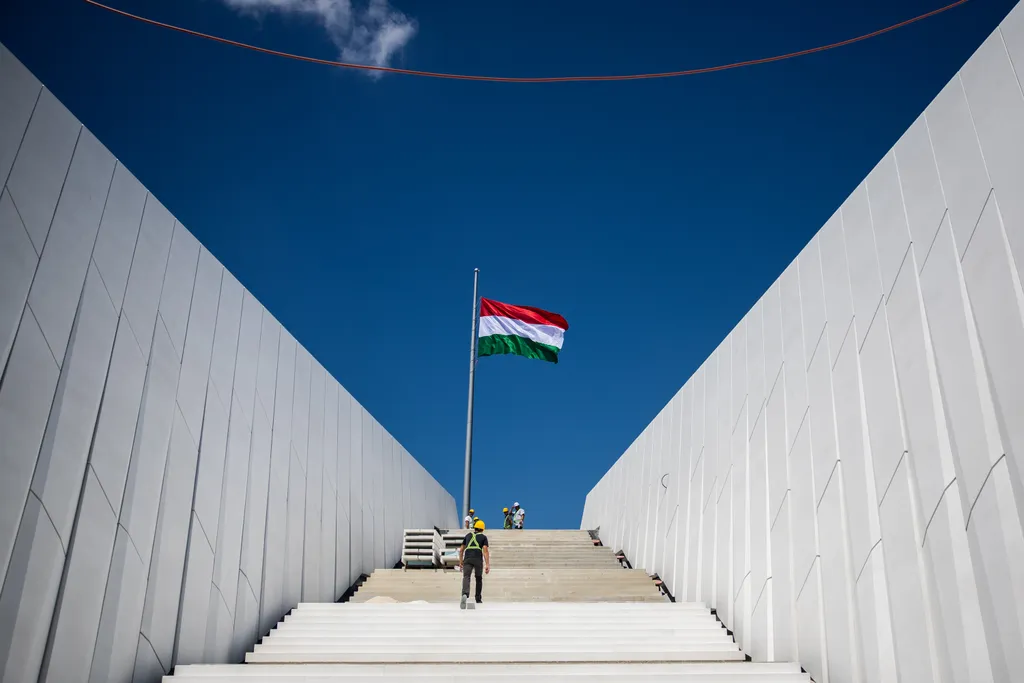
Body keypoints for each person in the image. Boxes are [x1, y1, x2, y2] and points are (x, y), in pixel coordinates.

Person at [458, 519, 490, 608]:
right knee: (478, 578)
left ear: (475, 528)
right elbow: (485, 551)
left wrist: (461, 562)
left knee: (466, 576)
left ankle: (465, 594)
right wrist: (487, 564)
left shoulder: (468, 535)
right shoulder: (483, 537)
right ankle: (478, 598)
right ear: (482, 529)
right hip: (477, 559)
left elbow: (461, 550)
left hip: (467, 558)